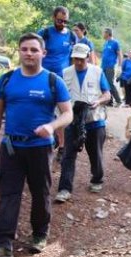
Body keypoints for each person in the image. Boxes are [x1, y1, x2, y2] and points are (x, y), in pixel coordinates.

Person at [0, 33, 73, 257]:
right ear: (19, 52)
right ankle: (2, 245)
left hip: (40, 148)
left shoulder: (53, 81)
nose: (29, 53)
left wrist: (52, 127)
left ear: (44, 53)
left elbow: (68, 113)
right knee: (9, 194)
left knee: (40, 193)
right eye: (24, 49)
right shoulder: (6, 80)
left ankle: (40, 235)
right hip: (11, 147)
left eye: (34, 49)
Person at [55, 43, 111, 202]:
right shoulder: (65, 73)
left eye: (81, 59)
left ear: (87, 57)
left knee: (96, 153)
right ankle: (64, 188)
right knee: (68, 155)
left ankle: (97, 179)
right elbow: (59, 97)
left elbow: (107, 94)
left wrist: (99, 101)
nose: (78, 62)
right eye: (75, 59)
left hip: (94, 119)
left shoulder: (97, 72)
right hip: (72, 120)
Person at [38, 6, 77, 162]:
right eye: (60, 20)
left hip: (62, 80)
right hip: (44, 78)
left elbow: (74, 57)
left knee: (63, 113)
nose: (62, 23)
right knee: (43, 109)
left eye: (65, 21)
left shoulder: (72, 36)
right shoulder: (45, 33)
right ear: (53, 17)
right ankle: (43, 141)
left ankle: (62, 146)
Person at [101, 28, 123, 107]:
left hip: (110, 66)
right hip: (103, 66)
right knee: (105, 84)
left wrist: (120, 66)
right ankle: (109, 101)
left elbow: (120, 54)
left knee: (110, 83)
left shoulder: (115, 43)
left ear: (108, 33)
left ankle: (118, 100)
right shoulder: (105, 43)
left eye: (104, 33)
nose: (102, 34)